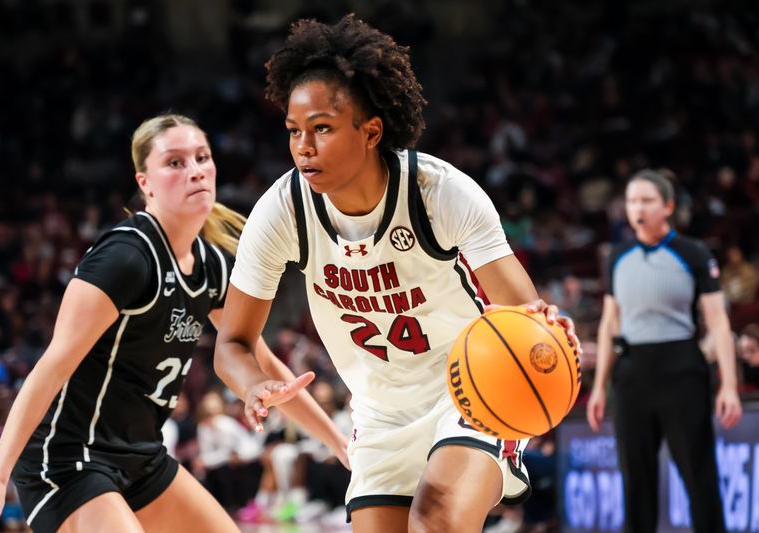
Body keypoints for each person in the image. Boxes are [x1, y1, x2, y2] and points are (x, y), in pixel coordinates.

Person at [214, 15, 578, 533]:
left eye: (322, 128)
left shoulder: (438, 192)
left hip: (469, 389)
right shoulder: (282, 210)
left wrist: (548, 334)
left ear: (371, 131)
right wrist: (251, 385)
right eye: (293, 131)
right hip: (380, 414)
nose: (303, 147)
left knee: (436, 519)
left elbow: (522, 310)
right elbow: (232, 344)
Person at [0, 113, 348, 533]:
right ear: (145, 183)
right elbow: (51, 367)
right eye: (175, 162)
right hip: (69, 459)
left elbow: (264, 362)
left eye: (202, 157)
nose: (195, 170)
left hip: (142, 457)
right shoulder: (127, 256)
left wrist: (342, 446)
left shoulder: (214, 267)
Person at [586, 169, 742, 532]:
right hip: (631, 376)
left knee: (698, 474)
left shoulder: (694, 253)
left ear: (667, 206)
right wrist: (599, 387)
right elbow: (610, 323)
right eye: (631, 200)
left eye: (646, 200)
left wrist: (729, 385)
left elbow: (718, 322)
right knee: (635, 481)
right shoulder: (617, 256)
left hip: (682, 369)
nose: (637, 207)